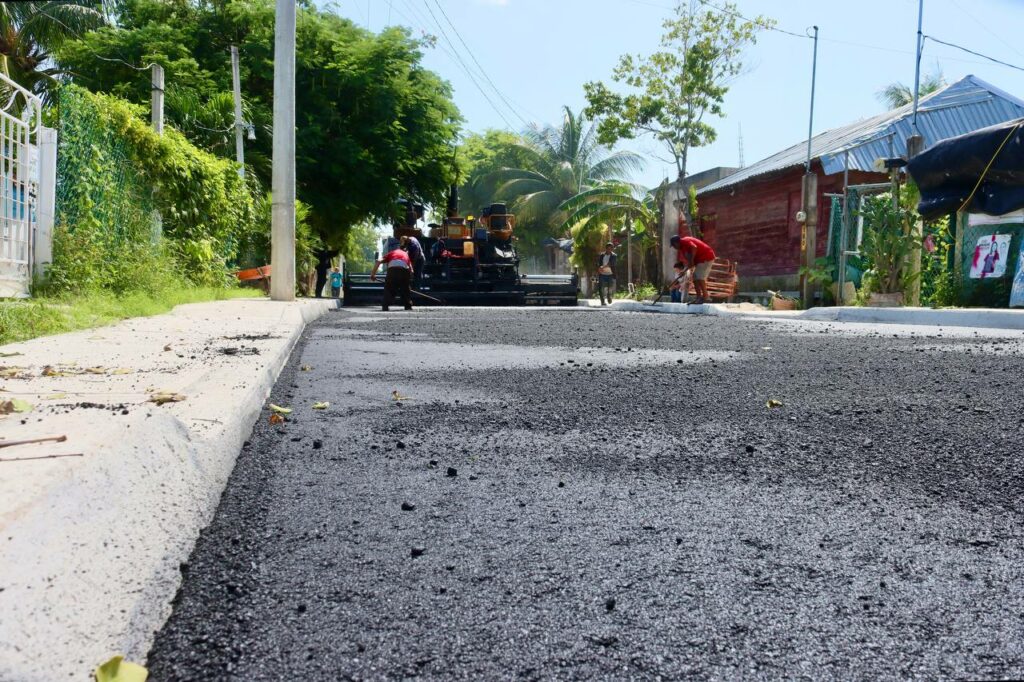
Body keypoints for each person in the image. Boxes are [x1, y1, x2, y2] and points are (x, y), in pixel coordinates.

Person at [670, 235, 716, 305]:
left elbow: (694, 247)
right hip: (700, 260)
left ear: (677, 243)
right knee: (695, 277)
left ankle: (706, 297)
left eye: (673, 245)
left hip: (706, 257)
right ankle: (699, 297)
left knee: (699, 277)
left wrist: (692, 259)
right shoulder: (682, 248)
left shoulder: (685, 241)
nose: (674, 247)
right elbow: (690, 263)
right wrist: (684, 271)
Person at [371, 244, 413, 311]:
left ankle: (385, 306)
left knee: (389, 287)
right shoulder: (406, 255)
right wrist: (407, 283)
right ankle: (407, 305)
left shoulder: (392, 253)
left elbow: (378, 261)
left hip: (392, 270)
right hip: (404, 270)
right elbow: (411, 271)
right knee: (405, 289)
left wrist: (373, 274)